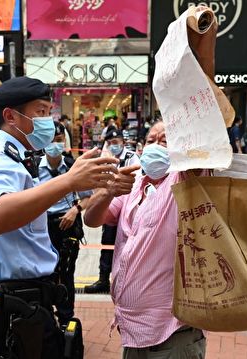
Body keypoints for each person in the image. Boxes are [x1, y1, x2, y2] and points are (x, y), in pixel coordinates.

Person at [0, 76, 124, 357]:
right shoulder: (0, 157)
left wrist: (88, 184)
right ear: (11, 116)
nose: (47, 120)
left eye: (48, 112)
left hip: (20, 303)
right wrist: (68, 181)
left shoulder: (14, 156)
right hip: (13, 304)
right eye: (40, 112)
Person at [83, 121, 206, 357]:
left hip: (172, 332)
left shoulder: (188, 181)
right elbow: (92, 219)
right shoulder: (133, 182)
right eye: (150, 141)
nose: (155, 146)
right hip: (132, 329)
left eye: (164, 141)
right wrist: (108, 190)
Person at [38, 121, 92, 325]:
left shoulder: (73, 166)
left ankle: (66, 320)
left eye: (59, 140)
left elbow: (89, 197)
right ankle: (45, 318)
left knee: (66, 274)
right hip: (41, 228)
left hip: (67, 224)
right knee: (44, 273)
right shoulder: (33, 167)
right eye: (50, 141)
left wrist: (75, 209)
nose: (54, 145)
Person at [84, 128, 141, 294]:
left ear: (123, 142)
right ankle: (103, 279)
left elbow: (135, 183)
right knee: (106, 242)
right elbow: (99, 183)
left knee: (127, 246)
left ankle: (126, 280)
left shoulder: (132, 157)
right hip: (110, 207)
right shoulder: (106, 158)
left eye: (116, 142)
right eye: (110, 143)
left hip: (127, 210)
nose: (113, 146)